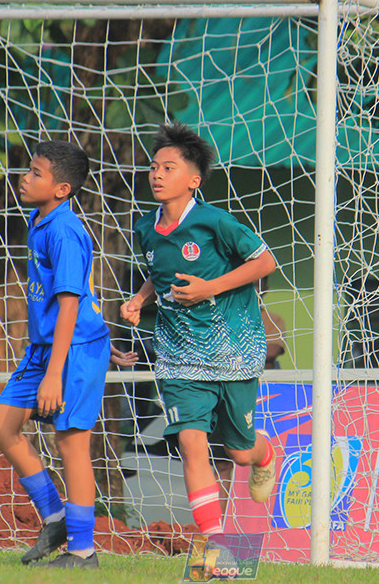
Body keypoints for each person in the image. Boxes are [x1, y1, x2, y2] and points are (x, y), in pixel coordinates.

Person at [120, 123, 279, 536]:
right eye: (153, 167)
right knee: (191, 443)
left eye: (168, 168)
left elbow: (265, 262)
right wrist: (140, 299)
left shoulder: (215, 222)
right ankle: (213, 541)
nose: (156, 175)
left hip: (234, 352)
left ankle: (263, 454)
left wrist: (210, 287)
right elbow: (160, 272)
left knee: (239, 452)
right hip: (178, 355)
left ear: (193, 180)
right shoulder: (145, 228)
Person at [0, 140, 135, 570]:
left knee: (71, 443)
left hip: (73, 353)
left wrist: (56, 374)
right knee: (1, 424)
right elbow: (78, 297)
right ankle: (55, 518)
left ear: (62, 189)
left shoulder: (65, 231)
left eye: (36, 173)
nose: (24, 178)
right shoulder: (40, 219)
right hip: (49, 347)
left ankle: (83, 551)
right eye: (28, 169)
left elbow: (69, 305)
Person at [258, 275, 288, 370]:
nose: (251, 290)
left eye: (256, 285)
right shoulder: (227, 317)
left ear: (265, 289)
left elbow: (272, 351)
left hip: (267, 376)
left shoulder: (274, 320)